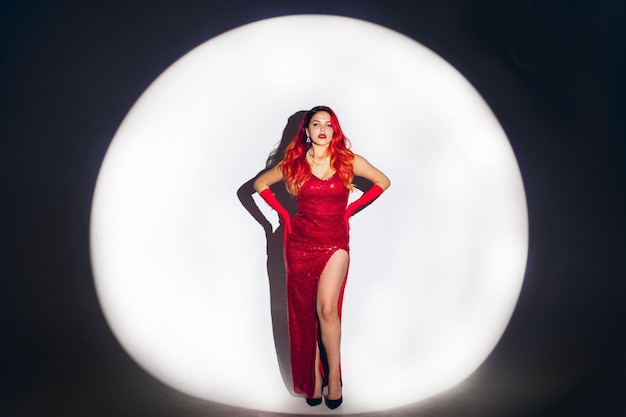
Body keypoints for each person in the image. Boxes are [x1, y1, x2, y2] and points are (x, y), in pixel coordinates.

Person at [253, 106, 390, 409]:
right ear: (307, 130)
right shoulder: (294, 164)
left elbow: (383, 181)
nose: (323, 129)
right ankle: (314, 380)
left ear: (335, 129)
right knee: (305, 316)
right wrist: (283, 218)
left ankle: (336, 379)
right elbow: (258, 185)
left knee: (327, 310)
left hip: (335, 245)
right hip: (299, 247)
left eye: (328, 124)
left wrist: (350, 211)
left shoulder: (347, 161)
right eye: (316, 124)